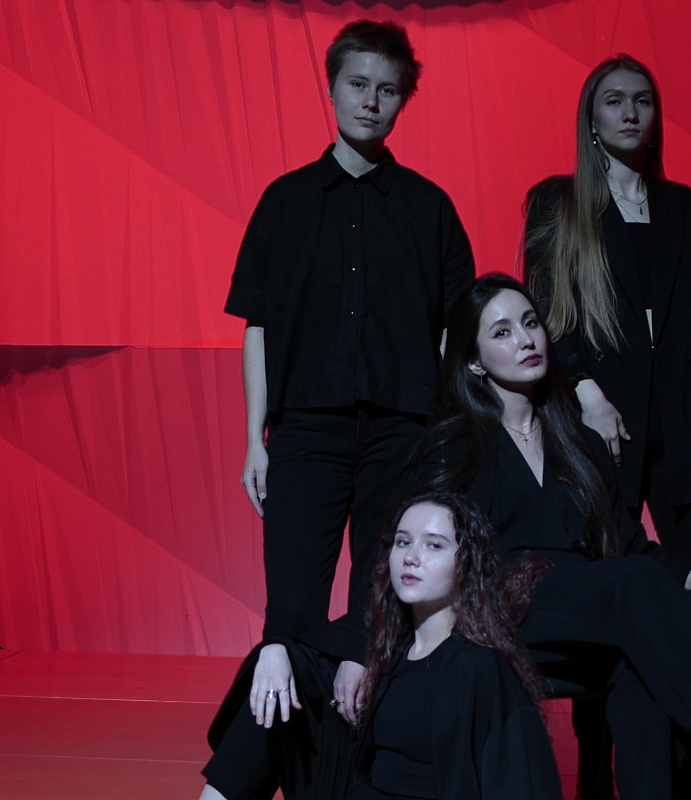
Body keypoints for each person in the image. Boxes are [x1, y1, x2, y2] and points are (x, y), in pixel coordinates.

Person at [367, 274, 691, 800]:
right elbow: (408, 545)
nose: (526, 339)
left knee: (645, 664)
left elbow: (627, 544)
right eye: (502, 332)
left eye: (531, 323)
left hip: (582, 608)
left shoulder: (580, 442)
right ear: (474, 361)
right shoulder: (452, 446)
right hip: (497, 605)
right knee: (633, 588)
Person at [224, 18, 476, 723]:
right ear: (332, 88)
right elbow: (258, 325)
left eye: (387, 90)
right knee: (291, 608)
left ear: (404, 99)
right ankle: (291, 757)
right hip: (305, 430)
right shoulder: (285, 201)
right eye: (358, 84)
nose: (371, 101)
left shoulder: (429, 207)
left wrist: (440, 431)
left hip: (402, 432)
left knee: (382, 611)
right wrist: (255, 439)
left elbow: (455, 332)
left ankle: (371, 760)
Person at [523, 54, 691, 578]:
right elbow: (550, 315)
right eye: (615, 101)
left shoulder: (682, 207)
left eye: (642, 101)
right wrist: (586, 394)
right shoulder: (558, 202)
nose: (630, 113)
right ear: (591, 118)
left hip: (689, 422)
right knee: (606, 580)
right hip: (602, 419)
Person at [199, 491, 561, 800]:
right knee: (279, 687)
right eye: (403, 542)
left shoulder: (479, 666)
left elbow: (519, 782)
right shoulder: (391, 652)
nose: (411, 557)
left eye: (434, 545)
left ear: (467, 563)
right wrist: (275, 651)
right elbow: (312, 662)